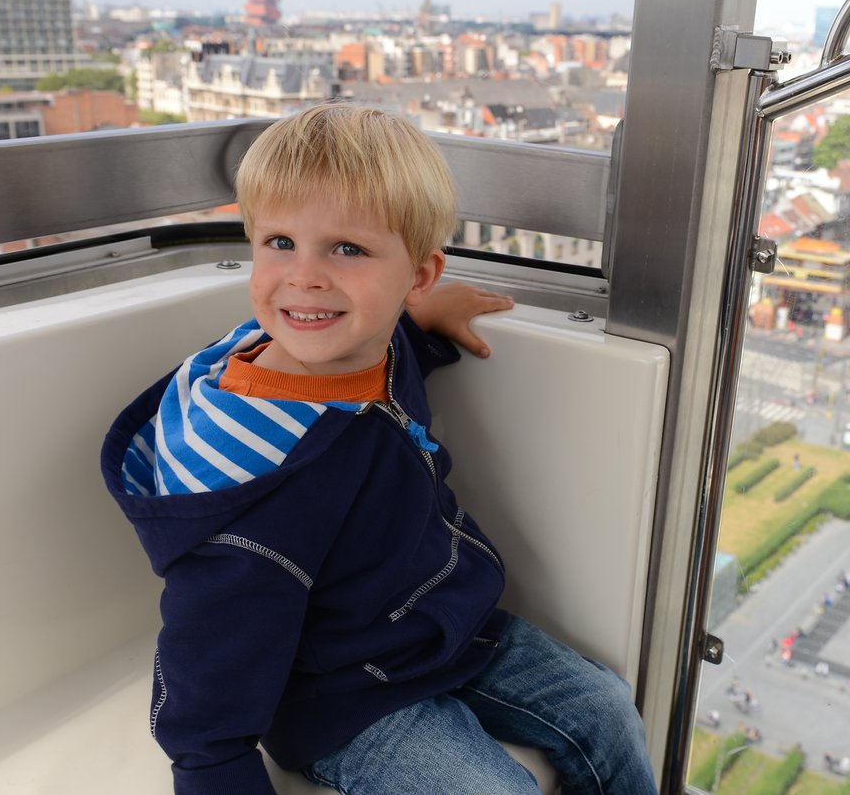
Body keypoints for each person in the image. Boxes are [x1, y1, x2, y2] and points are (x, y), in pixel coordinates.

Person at [100, 105, 656, 795]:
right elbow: (207, 650)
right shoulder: (255, 475)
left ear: (416, 277)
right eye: (279, 242)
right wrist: (214, 767)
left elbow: (378, 386)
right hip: (338, 699)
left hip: (442, 625)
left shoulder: (358, 345)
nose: (304, 277)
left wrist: (423, 324)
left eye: (347, 250)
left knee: (607, 709)